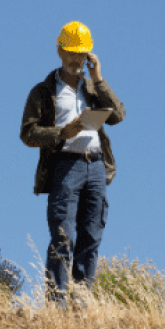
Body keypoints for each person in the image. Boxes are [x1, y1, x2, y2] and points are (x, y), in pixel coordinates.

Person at [19, 20, 126, 302]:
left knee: (91, 236)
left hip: (96, 166)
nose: (76, 59)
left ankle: (81, 303)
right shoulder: (43, 91)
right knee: (62, 236)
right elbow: (27, 133)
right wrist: (60, 133)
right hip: (65, 165)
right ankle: (57, 304)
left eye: (81, 54)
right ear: (59, 51)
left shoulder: (93, 88)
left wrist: (99, 79)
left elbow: (118, 115)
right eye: (71, 53)